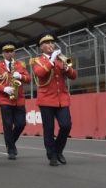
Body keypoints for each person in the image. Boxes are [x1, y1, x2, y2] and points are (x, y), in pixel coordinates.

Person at [31, 33, 77, 166]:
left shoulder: (60, 59)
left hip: (61, 99)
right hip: (46, 99)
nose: (50, 45)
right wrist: (51, 60)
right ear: (41, 47)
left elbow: (74, 75)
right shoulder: (38, 61)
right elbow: (40, 73)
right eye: (47, 43)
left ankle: (58, 150)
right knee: (49, 129)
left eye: (52, 42)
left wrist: (67, 68)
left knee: (66, 125)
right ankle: (51, 155)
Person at [0, 42, 30, 160]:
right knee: (7, 124)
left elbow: (29, 79)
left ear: (14, 52)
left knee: (21, 124)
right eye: (6, 51)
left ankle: (10, 142)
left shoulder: (20, 65)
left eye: (11, 51)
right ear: (2, 53)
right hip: (5, 99)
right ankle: (11, 149)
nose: (9, 53)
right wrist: (3, 88)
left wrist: (21, 76)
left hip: (19, 99)